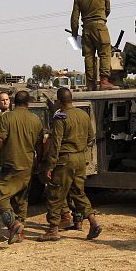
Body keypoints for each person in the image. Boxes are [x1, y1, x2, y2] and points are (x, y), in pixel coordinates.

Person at [38, 87, 102, 242]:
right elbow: (90, 137)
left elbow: (55, 144)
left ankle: (53, 229)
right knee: (78, 192)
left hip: (64, 160)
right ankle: (93, 221)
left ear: (59, 101)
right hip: (80, 158)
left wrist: (50, 166)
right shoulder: (83, 114)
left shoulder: (60, 116)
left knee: (55, 193)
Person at [0, 90, 43, 244]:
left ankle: (13, 223)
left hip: (10, 164)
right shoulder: (36, 119)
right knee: (22, 199)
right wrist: (39, 162)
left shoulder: (7, 118)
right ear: (28, 102)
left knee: (0, 197)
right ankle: (21, 231)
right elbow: (39, 145)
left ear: (13, 102)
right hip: (28, 165)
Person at [71, 0, 118, 91]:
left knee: (88, 56)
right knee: (105, 53)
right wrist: (100, 19)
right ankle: (104, 81)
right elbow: (108, 9)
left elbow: (74, 18)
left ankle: (90, 84)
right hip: (100, 26)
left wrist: (74, 33)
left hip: (86, 28)